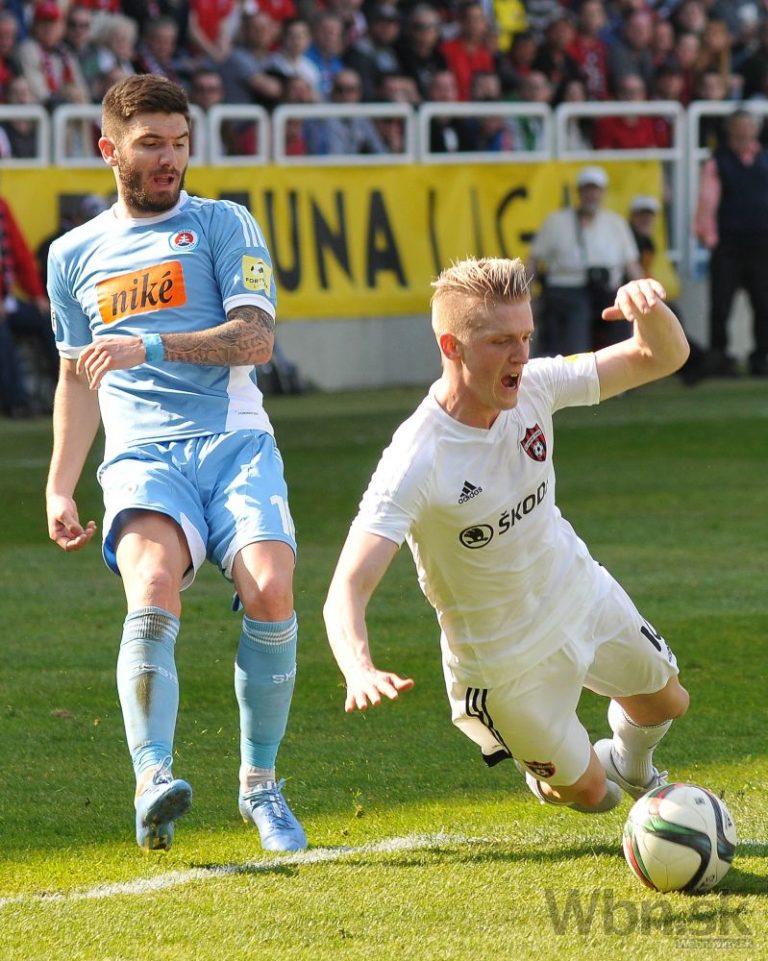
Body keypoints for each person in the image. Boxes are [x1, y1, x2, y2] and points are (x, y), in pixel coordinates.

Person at [324, 257, 690, 819]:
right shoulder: (416, 459)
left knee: (668, 702)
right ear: (452, 347)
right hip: (503, 665)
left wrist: (650, 311)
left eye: (525, 337)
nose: (520, 355)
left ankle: (632, 764)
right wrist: (358, 667)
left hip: (579, 593)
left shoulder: (537, 385)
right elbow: (347, 587)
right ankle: (552, 774)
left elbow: (661, 356)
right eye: (501, 342)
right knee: (595, 797)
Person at [44, 74, 306, 854]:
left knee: (271, 587)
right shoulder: (72, 255)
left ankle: (260, 786)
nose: (169, 159)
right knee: (154, 584)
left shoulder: (224, 223)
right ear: (110, 149)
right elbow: (75, 375)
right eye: (151, 143)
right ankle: (152, 779)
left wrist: (149, 345)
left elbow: (255, 339)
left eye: (180, 143)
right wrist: (60, 484)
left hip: (233, 441)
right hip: (140, 454)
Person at [528, 165, 642, 355]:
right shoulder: (556, 221)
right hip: (565, 289)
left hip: (605, 290)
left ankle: (625, 364)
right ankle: (577, 368)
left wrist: (643, 294)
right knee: (577, 313)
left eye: (596, 190)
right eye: (587, 189)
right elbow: (532, 260)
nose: (592, 195)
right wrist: (527, 298)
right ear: (579, 192)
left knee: (622, 312)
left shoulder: (616, 224)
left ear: (603, 193)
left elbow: (632, 265)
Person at [694, 108, 768, 376]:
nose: (746, 131)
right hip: (728, 244)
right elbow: (707, 202)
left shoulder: (765, 158)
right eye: (741, 126)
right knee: (721, 305)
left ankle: (762, 358)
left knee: (764, 303)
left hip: (762, 244)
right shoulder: (718, 161)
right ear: (731, 130)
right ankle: (720, 357)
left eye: (749, 125)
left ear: (756, 129)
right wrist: (710, 238)